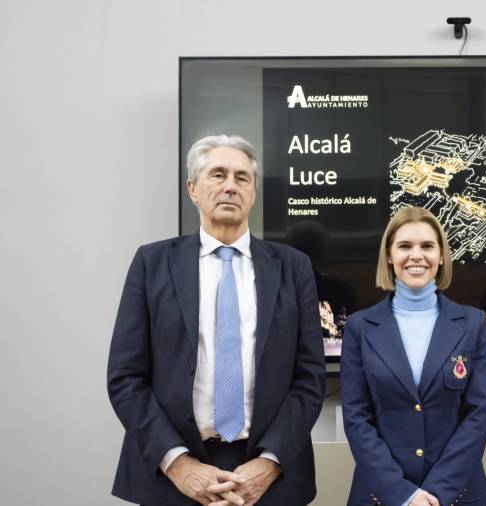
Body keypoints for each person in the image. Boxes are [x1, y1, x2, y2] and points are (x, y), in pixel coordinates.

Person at [107, 135, 325, 505]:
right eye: (217, 174)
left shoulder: (293, 267)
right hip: (171, 475)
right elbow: (126, 378)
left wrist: (269, 464)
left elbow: (309, 378)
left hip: (270, 476)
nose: (230, 186)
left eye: (242, 178)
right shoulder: (152, 264)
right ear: (193, 189)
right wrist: (178, 464)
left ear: (253, 192)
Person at [341, 207, 486, 506]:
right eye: (404, 246)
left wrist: (437, 492)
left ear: (441, 256)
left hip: (457, 495)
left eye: (426, 246)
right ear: (389, 255)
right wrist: (403, 494)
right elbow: (357, 418)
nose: (416, 255)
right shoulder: (361, 327)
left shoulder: (473, 324)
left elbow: (478, 415)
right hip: (381, 495)